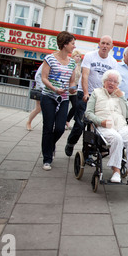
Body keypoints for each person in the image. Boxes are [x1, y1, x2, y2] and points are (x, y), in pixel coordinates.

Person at [85, 69, 128, 183]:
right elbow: (88, 113)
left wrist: (122, 97)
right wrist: (101, 121)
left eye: (115, 82)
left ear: (118, 85)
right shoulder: (96, 93)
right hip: (103, 126)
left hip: (120, 125)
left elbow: (127, 114)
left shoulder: (119, 95)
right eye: (109, 80)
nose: (112, 83)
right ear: (104, 81)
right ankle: (116, 172)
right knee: (116, 138)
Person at [65, 35, 118, 157]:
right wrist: (85, 93)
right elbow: (85, 75)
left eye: (107, 44)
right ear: (99, 44)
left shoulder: (113, 62)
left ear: (111, 47)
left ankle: (87, 152)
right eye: (102, 43)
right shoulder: (90, 56)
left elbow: (111, 82)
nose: (104, 46)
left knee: (94, 126)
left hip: (100, 97)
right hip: (84, 93)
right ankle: (71, 142)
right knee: (80, 124)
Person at [40, 31, 77, 170]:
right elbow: (44, 78)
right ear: (65, 44)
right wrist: (55, 89)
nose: (74, 46)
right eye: (72, 43)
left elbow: (72, 81)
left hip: (64, 98)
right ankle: (47, 159)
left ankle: (49, 145)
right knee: (48, 128)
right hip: (49, 97)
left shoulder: (72, 63)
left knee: (61, 128)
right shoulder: (49, 58)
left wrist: (73, 89)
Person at [65, 50, 82, 130]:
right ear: (73, 57)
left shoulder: (79, 66)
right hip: (67, 87)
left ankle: (67, 120)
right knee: (64, 106)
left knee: (75, 106)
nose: (78, 58)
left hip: (75, 88)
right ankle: (61, 121)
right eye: (77, 56)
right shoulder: (69, 64)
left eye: (79, 57)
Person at [26, 63, 44, 131]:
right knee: (38, 108)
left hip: (52, 90)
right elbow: (37, 76)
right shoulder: (48, 61)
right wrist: (43, 86)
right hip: (42, 89)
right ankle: (29, 122)